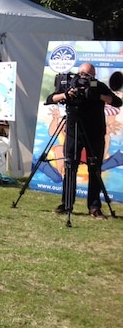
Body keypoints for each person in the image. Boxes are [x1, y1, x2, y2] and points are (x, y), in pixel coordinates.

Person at [47, 62, 122, 219]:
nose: (83, 77)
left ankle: (94, 207)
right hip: (74, 132)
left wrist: (98, 96)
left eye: (87, 75)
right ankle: (67, 204)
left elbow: (117, 102)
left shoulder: (97, 86)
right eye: (81, 73)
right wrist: (65, 95)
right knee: (70, 167)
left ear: (93, 76)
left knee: (94, 170)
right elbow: (50, 99)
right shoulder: (70, 83)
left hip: (94, 133)